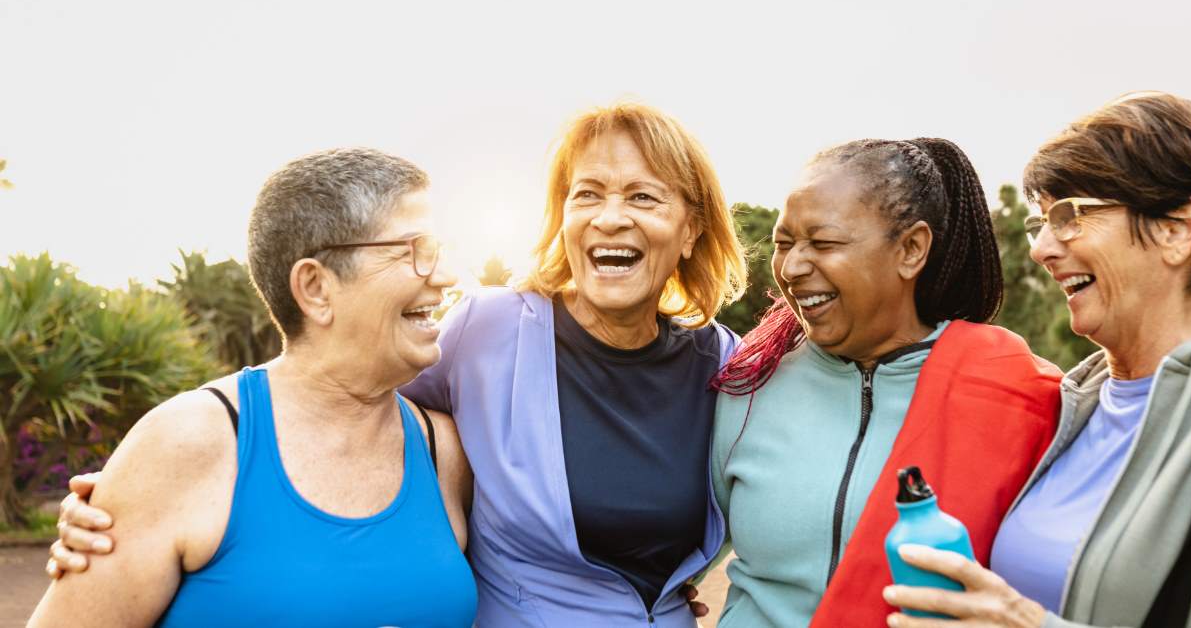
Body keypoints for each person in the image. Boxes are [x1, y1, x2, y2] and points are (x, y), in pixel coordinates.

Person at [47, 103, 748, 627]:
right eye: (586, 194)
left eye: (643, 196)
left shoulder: (727, 368)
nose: (445, 278)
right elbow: (326, 378)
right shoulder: (490, 332)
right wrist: (135, 489)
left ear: (691, 228)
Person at [28, 148, 477, 627]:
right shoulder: (187, 442)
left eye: (441, 250)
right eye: (415, 252)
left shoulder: (445, 452)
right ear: (316, 287)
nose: (446, 277)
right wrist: (131, 488)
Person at [708, 137, 1062, 627]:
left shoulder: (1019, 395)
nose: (791, 268)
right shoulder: (747, 383)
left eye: (824, 243)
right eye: (783, 243)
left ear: (911, 249)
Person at [884, 92, 1191, 627]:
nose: (1041, 248)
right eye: (1040, 223)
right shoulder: (1072, 405)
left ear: (1177, 229)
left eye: (1070, 216)